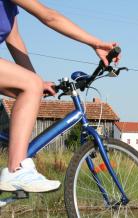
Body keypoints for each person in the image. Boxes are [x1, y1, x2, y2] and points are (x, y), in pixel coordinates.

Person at [0, 0, 117, 192]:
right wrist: (95, 42)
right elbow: (49, 16)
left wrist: (36, 81)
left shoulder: (8, 8)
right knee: (31, 85)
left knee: (31, 88)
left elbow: (15, 41)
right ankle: (16, 170)